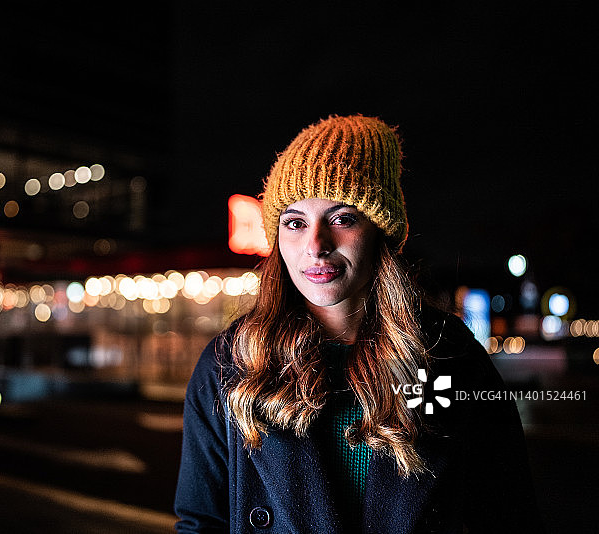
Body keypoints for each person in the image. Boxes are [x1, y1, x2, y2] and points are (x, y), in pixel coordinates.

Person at [174, 115, 543, 533]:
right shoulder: (229, 364)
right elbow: (201, 522)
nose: (316, 245)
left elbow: (509, 514)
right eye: (294, 222)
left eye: (342, 218)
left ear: (381, 231)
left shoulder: (451, 357)